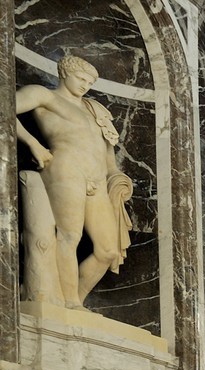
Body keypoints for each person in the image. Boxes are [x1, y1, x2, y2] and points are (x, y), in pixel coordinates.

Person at [14, 55, 134, 308]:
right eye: (81, 79)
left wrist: (116, 178)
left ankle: (75, 300)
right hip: (66, 168)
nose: (85, 86)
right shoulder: (45, 96)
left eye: (90, 82)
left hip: (97, 179)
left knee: (108, 251)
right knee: (69, 236)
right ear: (64, 73)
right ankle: (70, 304)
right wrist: (33, 144)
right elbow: (5, 108)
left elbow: (108, 155)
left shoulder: (94, 110)